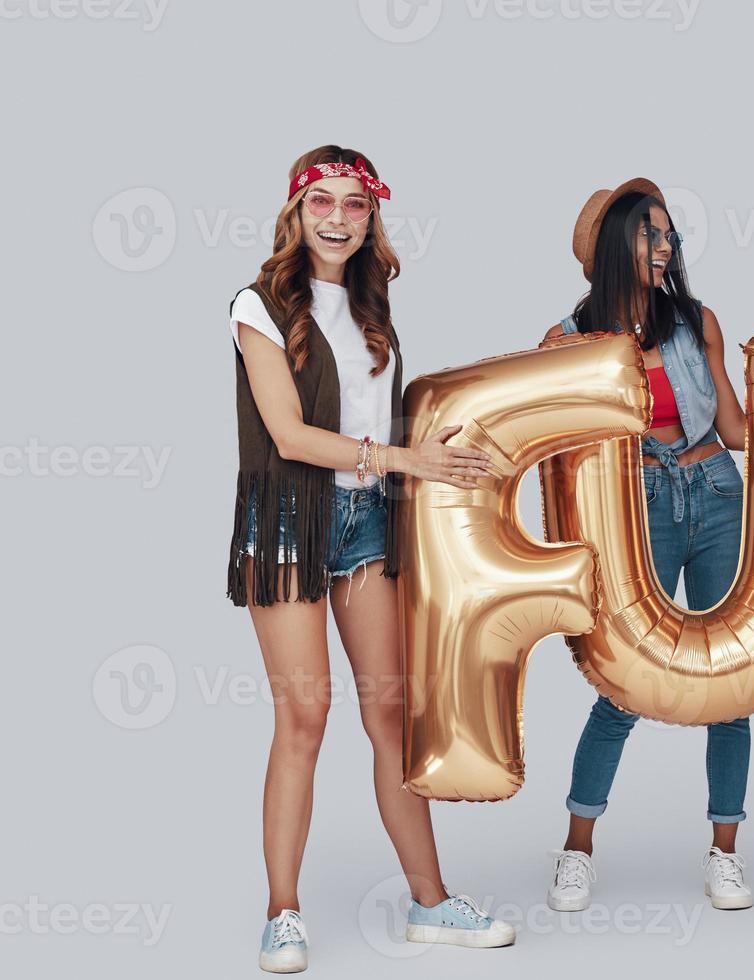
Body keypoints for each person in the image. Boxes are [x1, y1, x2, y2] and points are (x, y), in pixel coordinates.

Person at [228, 146, 514, 972]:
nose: (338, 219)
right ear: (295, 212)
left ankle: (430, 903)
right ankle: (283, 913)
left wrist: (436, 452)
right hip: (287, 518)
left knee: (390, 714)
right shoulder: (257, 305)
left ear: (371, 218)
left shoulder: (372, 304)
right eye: (322, 202)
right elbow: (288, 435)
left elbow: (385, 425)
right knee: (305, 717)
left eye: (355, 205)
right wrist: (406, 463)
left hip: (365, 521)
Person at [541, 178, 754, 914]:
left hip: (712, 492)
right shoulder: (567, 342)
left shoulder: (696, 323)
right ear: (617, 246)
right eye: (650, 234)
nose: (666, 245)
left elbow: (739, 430)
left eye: (668, 233)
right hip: (635, 505)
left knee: (732, 685)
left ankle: (724, 853)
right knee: (621, 686)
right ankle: (577, 849)